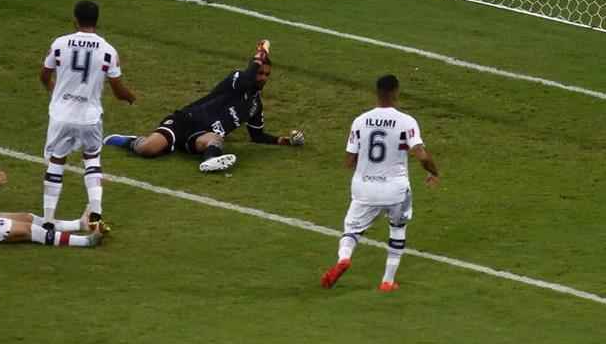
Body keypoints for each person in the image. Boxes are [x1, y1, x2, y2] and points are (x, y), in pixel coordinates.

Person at [103, 39, 305, 173]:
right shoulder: (237, 79)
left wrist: (286, 141)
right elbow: (246, 80)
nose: (262, 77)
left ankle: (209, 161)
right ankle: (129, 141)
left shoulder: (254, 106)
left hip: (201, 136)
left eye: (266, 74)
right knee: (149, 149)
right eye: (260, 72)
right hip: (185, 121)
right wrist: (259, 55)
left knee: (216, 138)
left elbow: (257, 136)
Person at [320, 74, 440, 292]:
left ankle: (344, 258)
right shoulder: (406, 121)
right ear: (396, 92)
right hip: (395, 189)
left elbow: (349, 160)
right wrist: (434, 172)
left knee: (351, 230)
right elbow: (421, 154)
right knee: (397, 228)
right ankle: (387, 281)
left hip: (364, 187)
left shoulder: (360, 120)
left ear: (377, 93)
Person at [39, 0, 135, 230]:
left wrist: (56, 92)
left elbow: (44, 75)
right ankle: (96, 215)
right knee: (92, 160)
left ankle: (49, 220)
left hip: (61, 115)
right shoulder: (108, 51)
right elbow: (118, 89)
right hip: (89, 117)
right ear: (97, 21)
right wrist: (129, 97)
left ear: (75, 19)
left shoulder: (60, 44)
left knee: (56, 162)